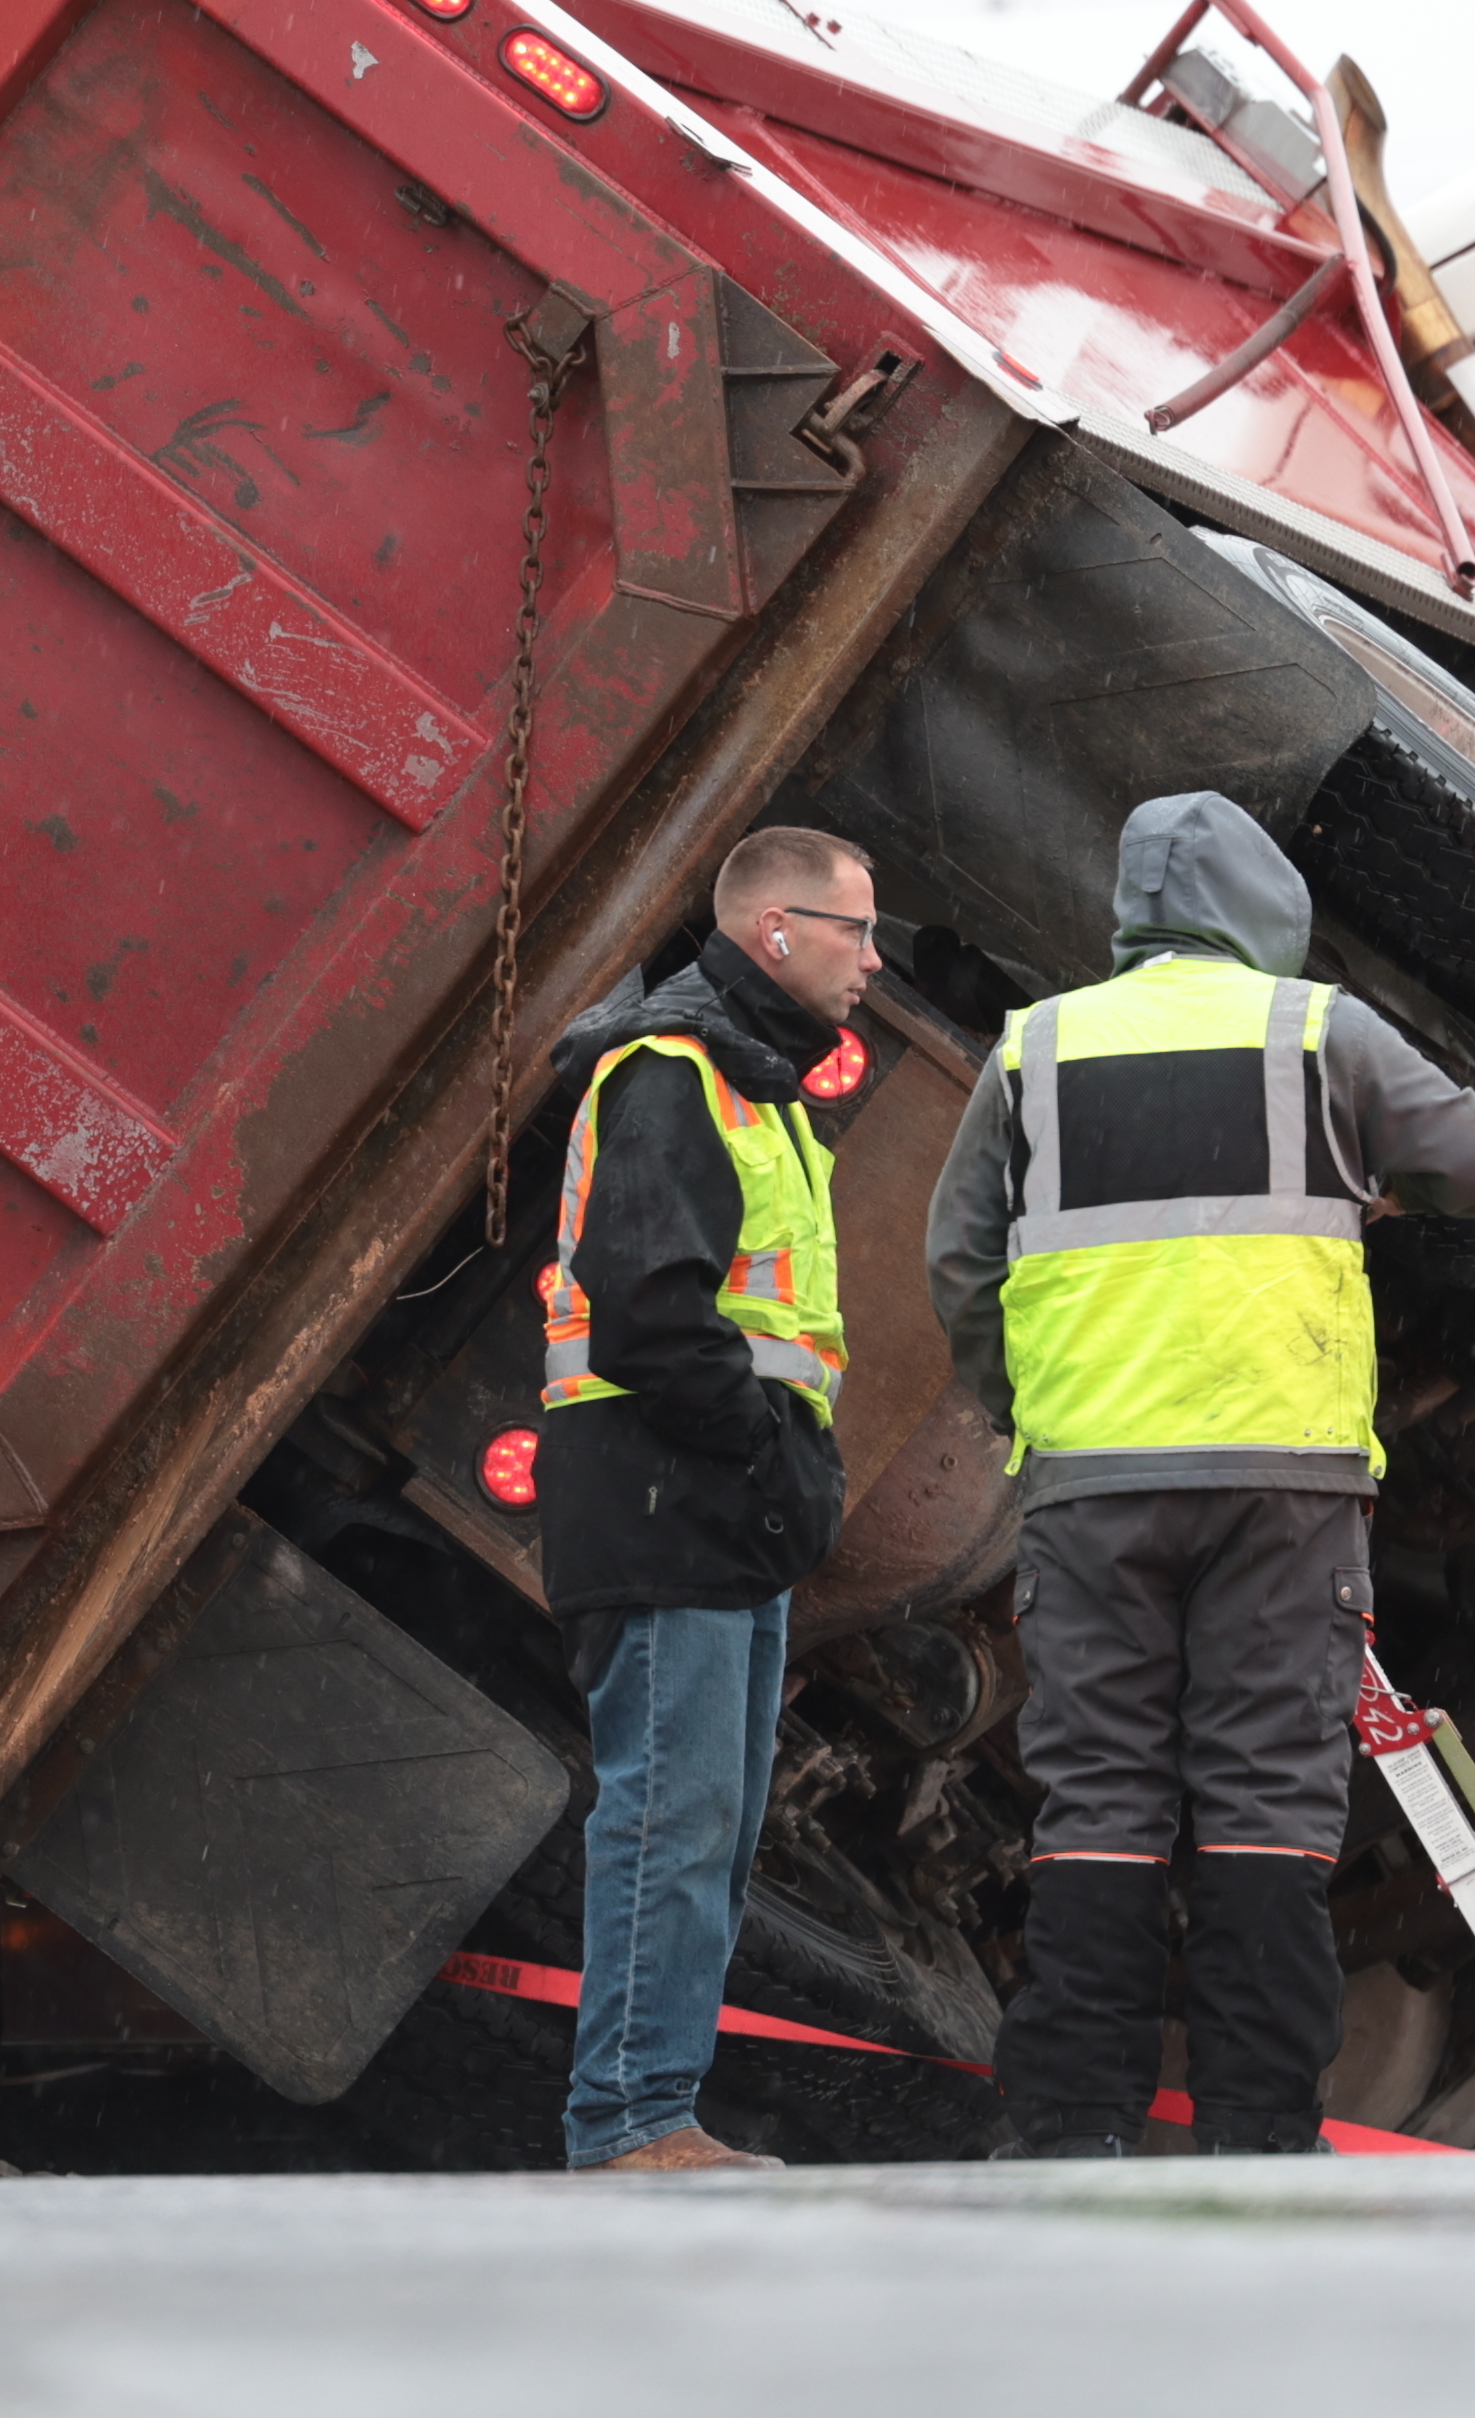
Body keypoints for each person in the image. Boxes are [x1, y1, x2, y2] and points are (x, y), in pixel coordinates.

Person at [932, 793, 1475, 2157]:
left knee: (1101, 1800)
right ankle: (1260, 2136)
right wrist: (1383, 1185)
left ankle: (1066, 2127)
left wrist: (1036, 1402)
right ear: (1267, 913)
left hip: (1094, 1486)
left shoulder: (1036, 1048)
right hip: (1283, 1488)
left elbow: (959, 1261)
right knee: (1266, 1800)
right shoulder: (1318, 1030)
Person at [535, 823, 879, 2173]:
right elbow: (647, 1317)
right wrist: (761, 1445)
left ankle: (655, 2111)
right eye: (854, 931)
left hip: (713, 1508)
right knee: (670, 1822)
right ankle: (628, 2125)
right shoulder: (676, 1075)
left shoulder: (756, 1084)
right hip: (670, 1498)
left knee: (709, 1830)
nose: (870, 959)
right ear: (775, 933)